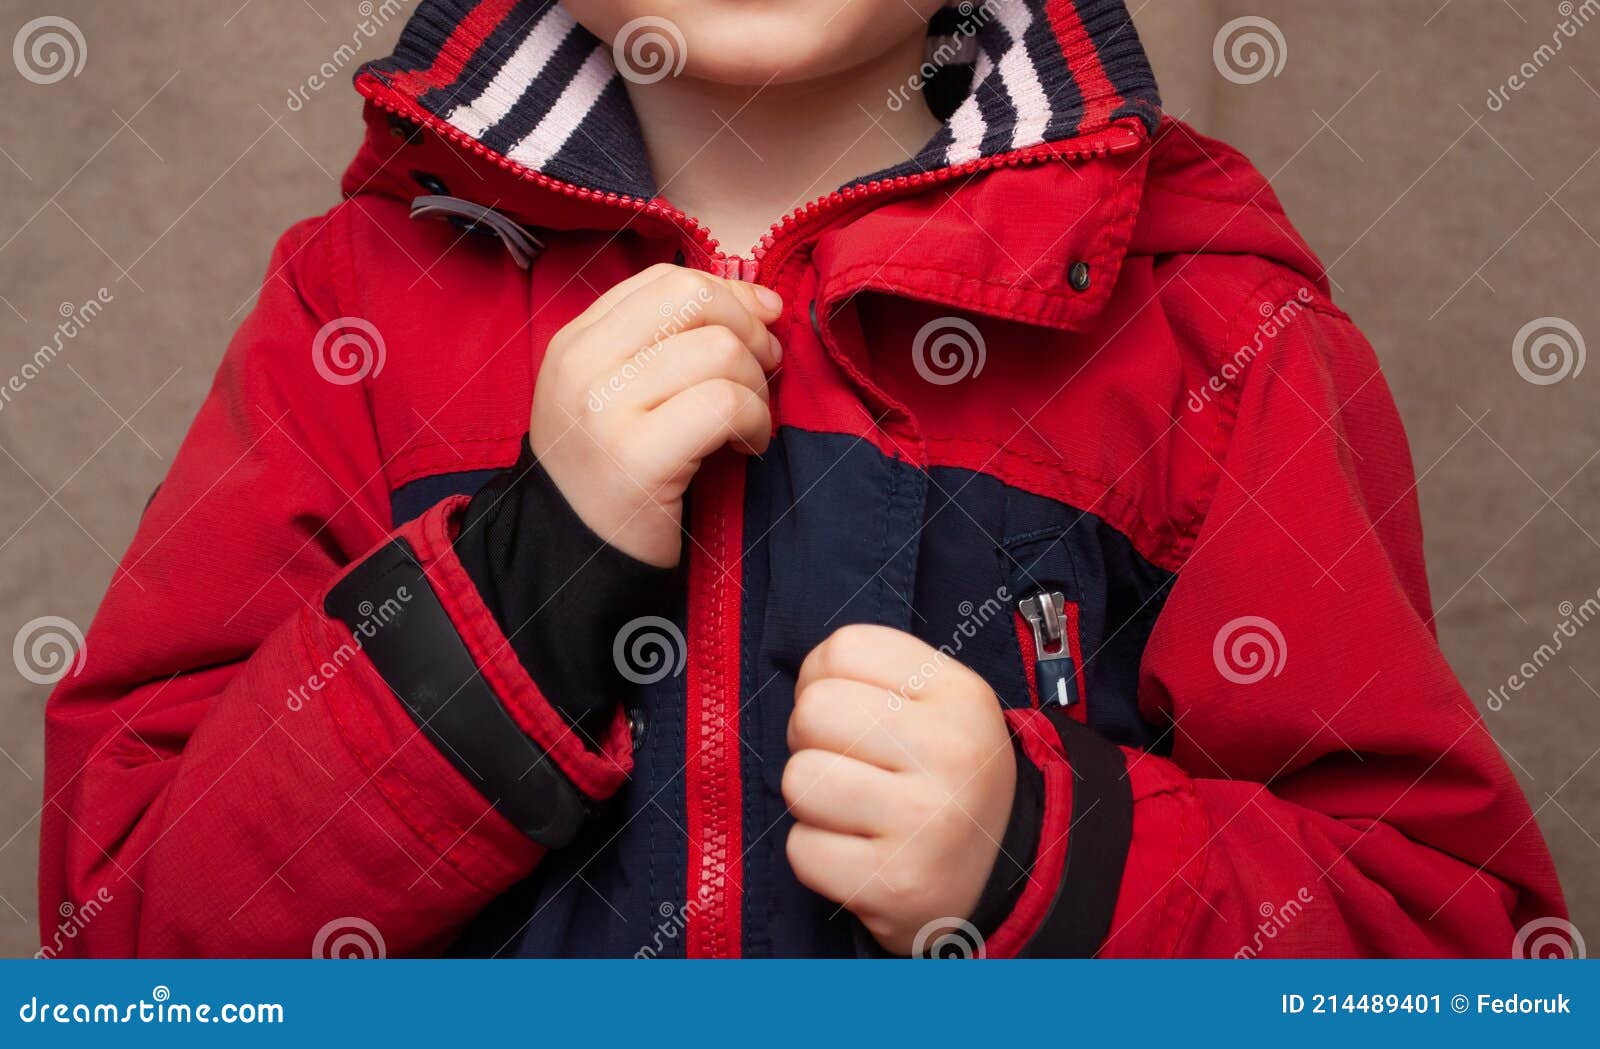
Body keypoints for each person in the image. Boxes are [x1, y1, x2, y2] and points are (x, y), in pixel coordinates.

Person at [40, 0, 1564, 958]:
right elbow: (131, 951)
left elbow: (1447, 963)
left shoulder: (1216, 330)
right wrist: (515, 588)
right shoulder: (351, 310)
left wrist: (1055, 856)